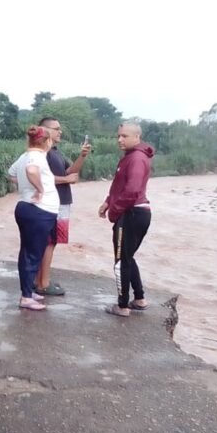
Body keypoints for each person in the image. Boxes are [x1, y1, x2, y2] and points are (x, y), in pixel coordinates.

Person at [98, 122, 155, 316]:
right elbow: (120, 186)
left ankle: (122, 306)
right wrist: (108, 201)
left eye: (124, 136)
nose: (120, 140)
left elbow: (132, 190)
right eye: (119, 136)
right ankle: (139, 299)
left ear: (136, 137)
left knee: (121, 261)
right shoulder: (131, 157)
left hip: (131, 213)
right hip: (135, 212)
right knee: (127, 257)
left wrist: (115, 211)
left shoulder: (137, 158)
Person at [35, 117, 91, 296]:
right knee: (48, 243)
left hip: (61, 202)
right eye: (56, 128)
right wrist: (66, 180)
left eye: (60, 129)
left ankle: (41, 280)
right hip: (52, 203)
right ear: (43, 130)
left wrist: (82, 156)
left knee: (50, 243)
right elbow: (39, 177)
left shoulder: (56, 152)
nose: (60, 132)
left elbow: (69, 171)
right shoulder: (43, 152)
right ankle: (43, 283)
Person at [7, 126, 59, 311]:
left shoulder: (24, 156)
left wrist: (26, 187)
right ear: (46, 141)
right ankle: (26, 297)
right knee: (32, 253)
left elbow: (11, 174)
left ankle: (28, 291)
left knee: (28, 252)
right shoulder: (36, 157)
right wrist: (39, 189)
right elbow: (31, 171)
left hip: (28, 208)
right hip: (38, 210)